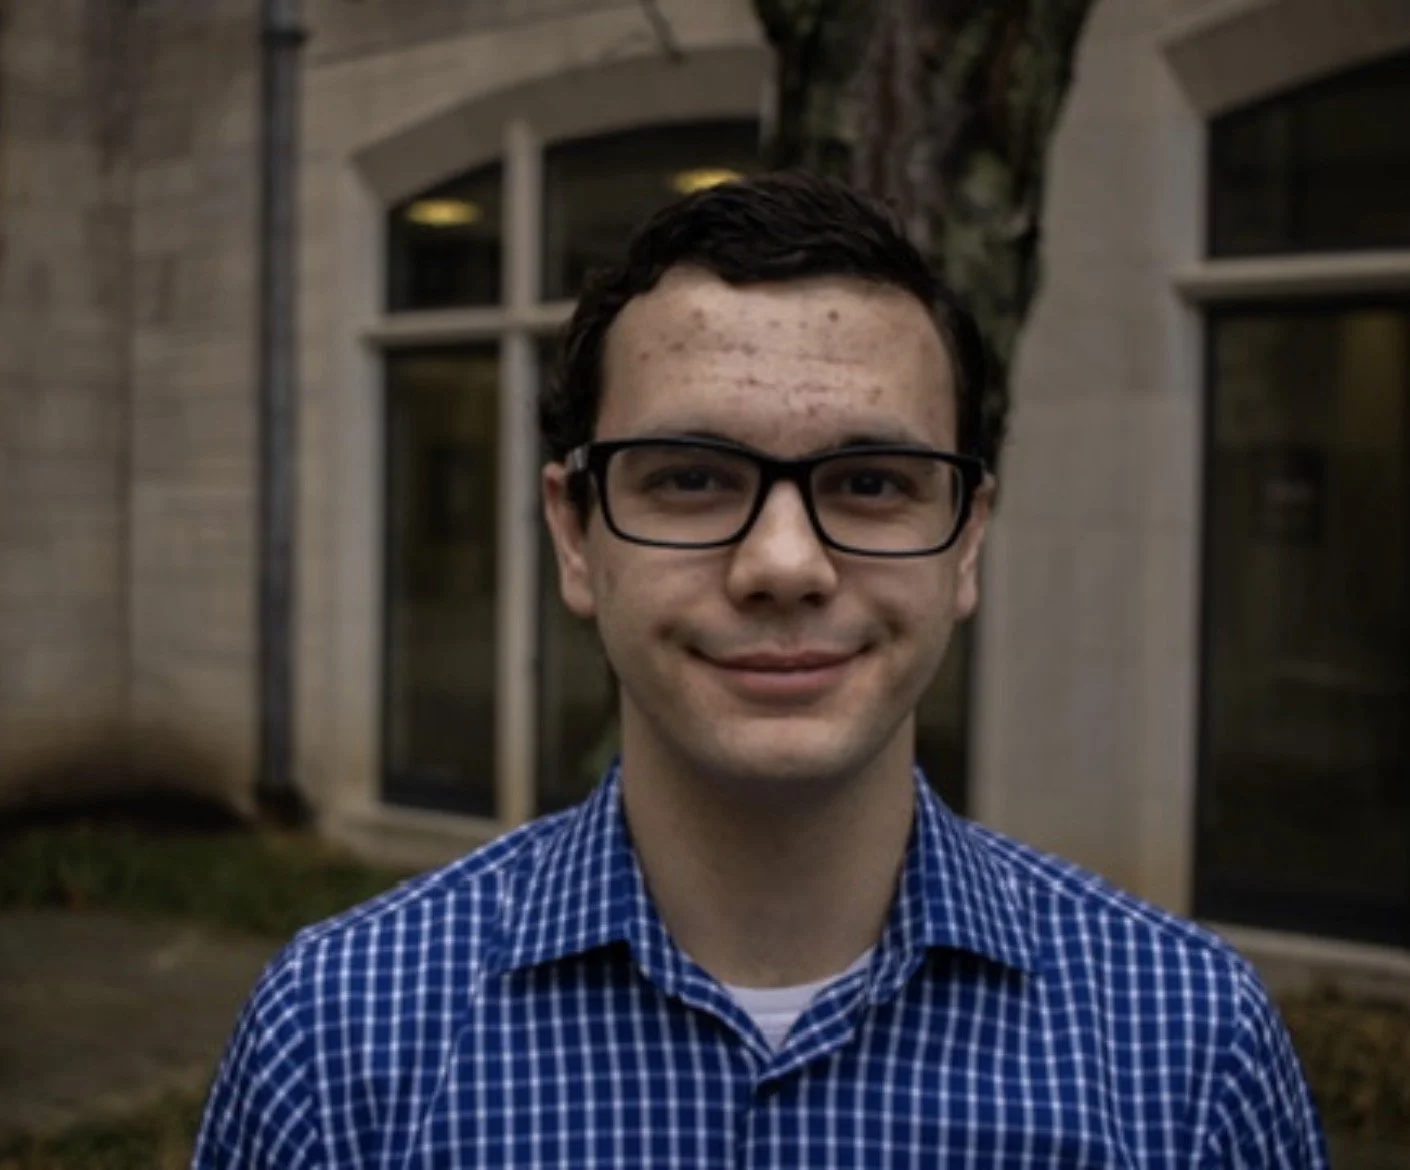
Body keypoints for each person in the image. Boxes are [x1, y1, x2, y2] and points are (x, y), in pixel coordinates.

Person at [193, 172, 1327, 1168]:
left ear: (968, 539)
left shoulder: (1186, 1048)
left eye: (873, 482)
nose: (784, 565)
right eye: (690, 477)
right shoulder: (340, 1036)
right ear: (576, 537)